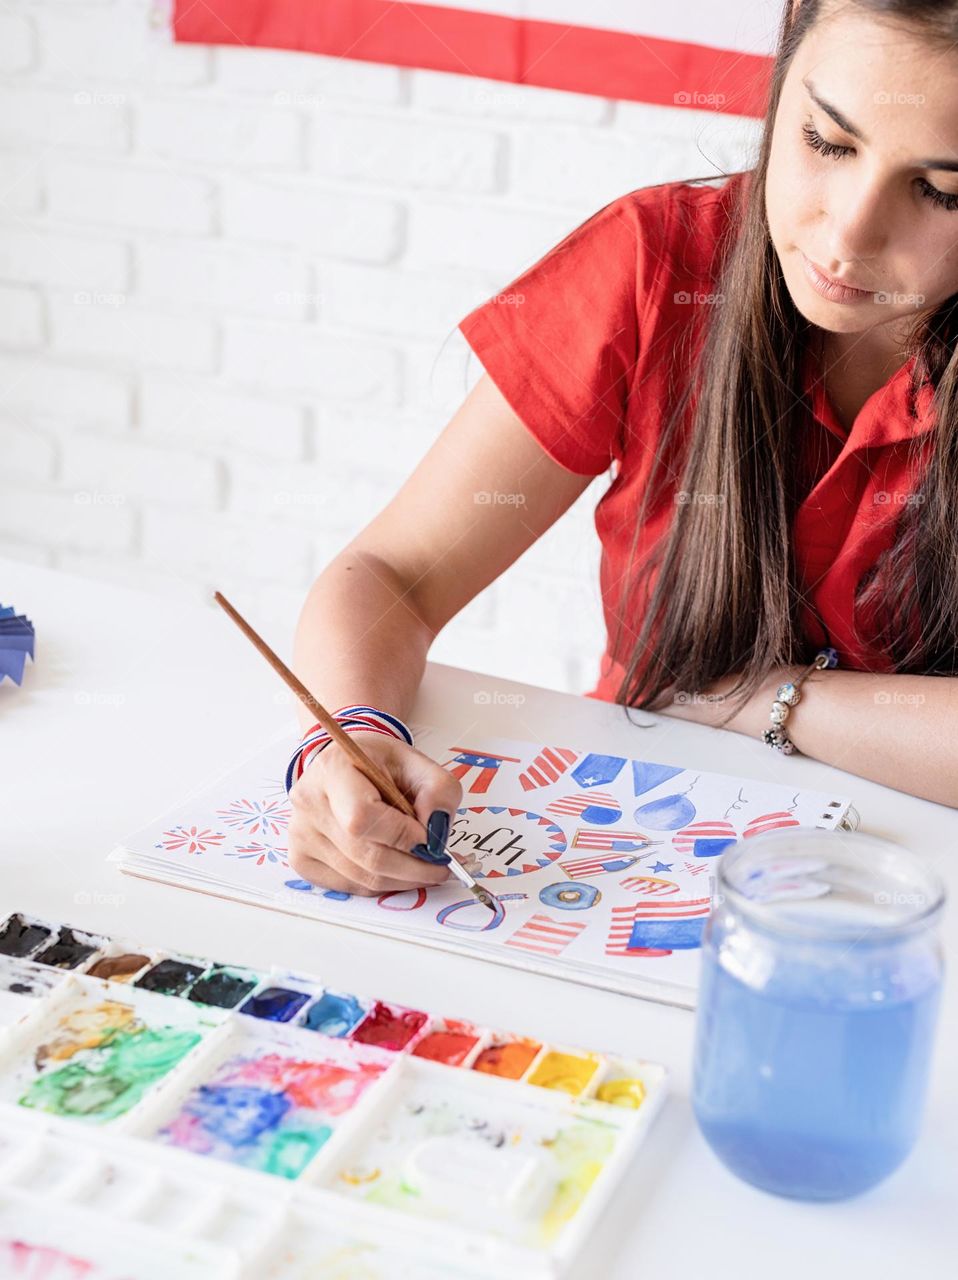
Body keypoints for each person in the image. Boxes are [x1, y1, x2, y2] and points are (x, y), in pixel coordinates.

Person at [287, 0, 958, 895]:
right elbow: (396, 575)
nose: (847, 236)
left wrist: (761, 697)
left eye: (942, 190)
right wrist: (354, 739)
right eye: (825, 141)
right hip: (623, 854)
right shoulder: (661, 263)